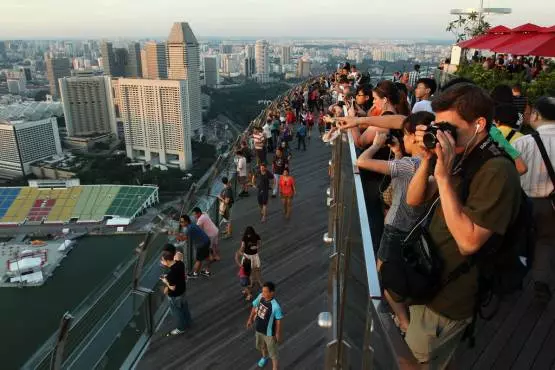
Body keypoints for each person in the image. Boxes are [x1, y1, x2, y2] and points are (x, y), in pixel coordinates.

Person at [404, 83, 522, 367]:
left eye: (449, 126)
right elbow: (414, 199)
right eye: (439, 125)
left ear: (479, 124)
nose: (443, 133)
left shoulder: (497, 170)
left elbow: (468, 242)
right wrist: (427, 160)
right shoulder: (461, 156)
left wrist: (443, 177)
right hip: (429, 279)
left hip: (451, 296)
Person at [356, 111, 435, 333]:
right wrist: (398, 152)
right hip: (414, 230)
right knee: (402, 272)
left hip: (394, 228)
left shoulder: (411, 165)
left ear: (413, 136)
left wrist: (376, 144)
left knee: (385, 278)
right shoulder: (432, 164)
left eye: (405, 135)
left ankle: (403, 323)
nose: (403, 138)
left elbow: (362, 161)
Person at [513, 96, 555, 303]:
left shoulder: (523, 142)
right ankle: (540, 281)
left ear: (536, 114)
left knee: (519, 240)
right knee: (546, 242)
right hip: (551, 204)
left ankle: (514, 278)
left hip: (525, 202)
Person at [246, 282, 283, 370]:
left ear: (272, 293)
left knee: (273, 353)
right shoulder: (260, 296)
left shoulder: (276, 306)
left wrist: (277, 334)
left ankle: (274, 368)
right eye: (263, 291)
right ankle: (264, 357)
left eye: (266, 292)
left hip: (269, 333)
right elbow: (255, 306)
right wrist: (250, 319)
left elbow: (278, 321)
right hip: (259, 329)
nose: (263, 293)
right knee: (262, 346)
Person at [160, 243, 192, 336]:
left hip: (175, 296)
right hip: (182, 291)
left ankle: (181, 328)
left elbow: (172, 287)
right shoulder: (180, 264)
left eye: (162, 260)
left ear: (166, 260)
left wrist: (165, 281)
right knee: (184, 307)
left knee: (177, 312)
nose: (162, 262)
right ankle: (188, 322)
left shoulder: (171, 274)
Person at [235, 226, 263, 291]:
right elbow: (242, 247)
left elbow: (259, 243)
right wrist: (241, 251)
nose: (249, 235)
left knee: (257, 269)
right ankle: (252, 282)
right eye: (248, 234)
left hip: (254, 255)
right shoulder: (245, 238)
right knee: (249, 271)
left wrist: (257, 247)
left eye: (250, 234)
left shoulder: (256, 236)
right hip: (247, 256)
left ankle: (258, 281)